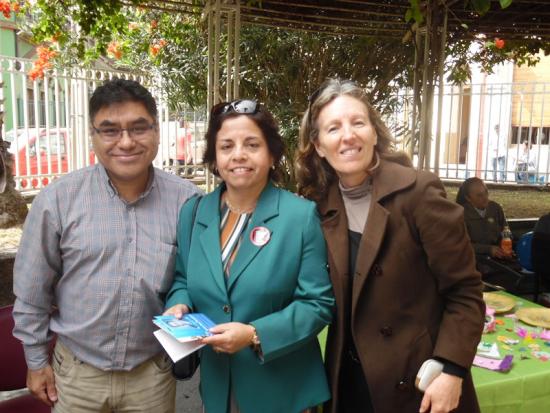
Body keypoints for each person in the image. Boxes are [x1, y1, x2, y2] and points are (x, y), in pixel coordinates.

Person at [295, 78, 484, 413]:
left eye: (358, 123)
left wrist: (453, 370)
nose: (348, 135)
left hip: (417, 384)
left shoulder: (419, 193)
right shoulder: (318, 206)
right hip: (348, 381)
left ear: (373, 132)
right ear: (319, 146)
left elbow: (465, 293)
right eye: (333, 127)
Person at [12, 78, 200, 412]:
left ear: (156, 132)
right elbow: (31, 289)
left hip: (151, 375)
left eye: (139, 128)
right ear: (93, 136)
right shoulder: (59, 200)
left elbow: (195, 282)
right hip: (76, 375)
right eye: (110, 130)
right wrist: (36, 361)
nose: (125, 142)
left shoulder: (188, 202)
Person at [165, 99, 335, 413]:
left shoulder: (299, 216)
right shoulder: (194, 212)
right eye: (226, 146)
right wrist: (178, 302)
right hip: (219, 386)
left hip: (283, 389)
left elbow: (318, 304)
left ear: (272, 156)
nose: (238, 155)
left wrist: (256, 334)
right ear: (214, 158)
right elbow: (182, 279)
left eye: (252, 144)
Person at [456, 177, 521, 290]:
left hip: (499, 259)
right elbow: (462, 245)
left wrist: (507, 246)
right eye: (479, 195)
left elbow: (506, 232)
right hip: (474, 263)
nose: (485, 197)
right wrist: (489, 249)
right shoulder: (461, 213)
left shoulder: (495, 208)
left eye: (486, 192)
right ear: (468, 198)